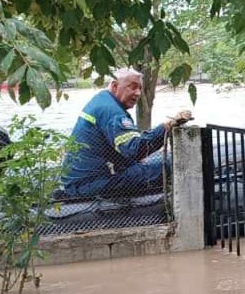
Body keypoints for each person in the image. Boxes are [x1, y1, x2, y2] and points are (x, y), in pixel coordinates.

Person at [63, 68, 192, 198]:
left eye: (140, 88)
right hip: (91, 185)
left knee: (154, 161)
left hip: (79, 182)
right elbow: (135, 150)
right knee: (170, 163)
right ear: (115, 86)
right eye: (133, 87)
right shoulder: (113, 112)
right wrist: (166, 127)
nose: (138, 93)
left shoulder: (102, 100)